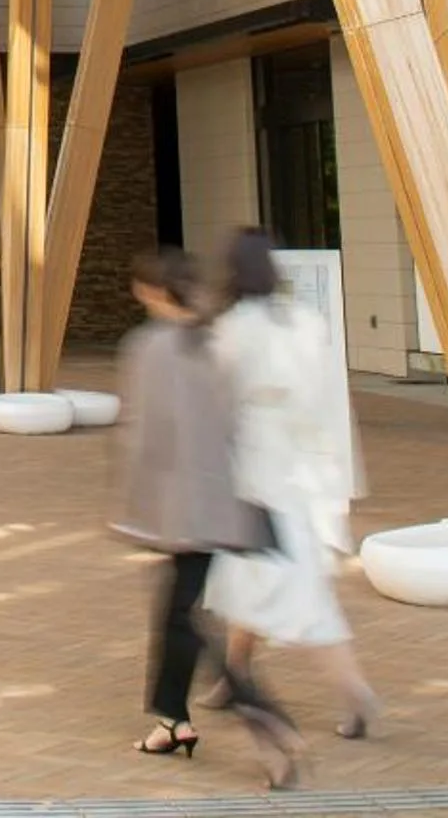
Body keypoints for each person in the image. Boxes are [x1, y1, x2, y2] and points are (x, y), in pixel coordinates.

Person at [113, 245, 288, 779]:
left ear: (153, 290)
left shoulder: (152, 347)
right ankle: (172, 721)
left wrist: (134, 512)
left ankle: (267, 728)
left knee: (187, 620)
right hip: (229, 505)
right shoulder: (219, 339)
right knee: (179, 615)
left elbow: (145, 437)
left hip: (184, 511)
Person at [204, 228, 377, 743]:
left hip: (256, 473)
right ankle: (235, 673)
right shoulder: (304, 321)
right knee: (247, 580)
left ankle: (355, 691)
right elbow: (325, 399)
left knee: (292, 594)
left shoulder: (234, 328)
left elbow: (218, 402)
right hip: (303, 469)